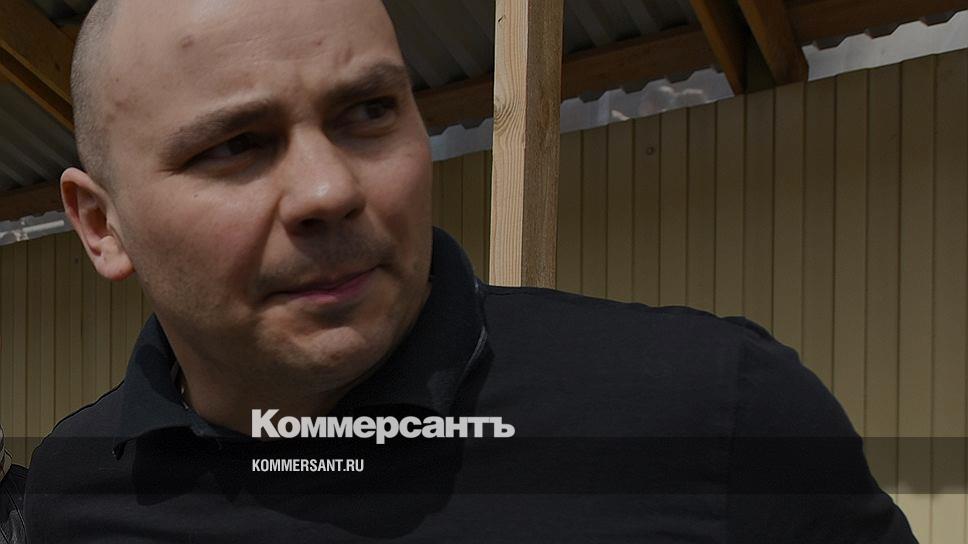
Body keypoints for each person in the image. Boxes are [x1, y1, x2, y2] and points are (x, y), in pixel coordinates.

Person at [24, 1, 916, 542]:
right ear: (102, 226)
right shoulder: (77, 487)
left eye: (368, 111)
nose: (330, 190)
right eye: (235, 146)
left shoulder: (717, 417)